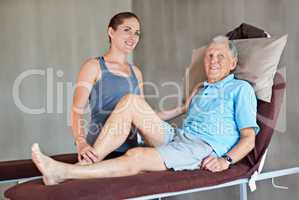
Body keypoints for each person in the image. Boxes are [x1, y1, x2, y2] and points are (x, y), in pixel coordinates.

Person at [32, 35, 260, 185]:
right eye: (210, 55)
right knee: (131, 101)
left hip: (200, 148)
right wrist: (184, 106)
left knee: (137, 155)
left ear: (232, 63)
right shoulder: (201, 89)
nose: (213, 60)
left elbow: (248, 138)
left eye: (221, 56)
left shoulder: (241, 89)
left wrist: (226, 160)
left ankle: (65, 172)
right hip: (177, 136)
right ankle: (86, 164)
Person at [71, 12, 144, 164]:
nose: (133, 37)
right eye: (127, 30)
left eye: (137, 32)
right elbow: (76, 112)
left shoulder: (136, 72)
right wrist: (81, 143)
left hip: (130, 152)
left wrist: (182, 108)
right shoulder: (93, 67)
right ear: (111, 32)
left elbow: (142, 114)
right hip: (99, 151)